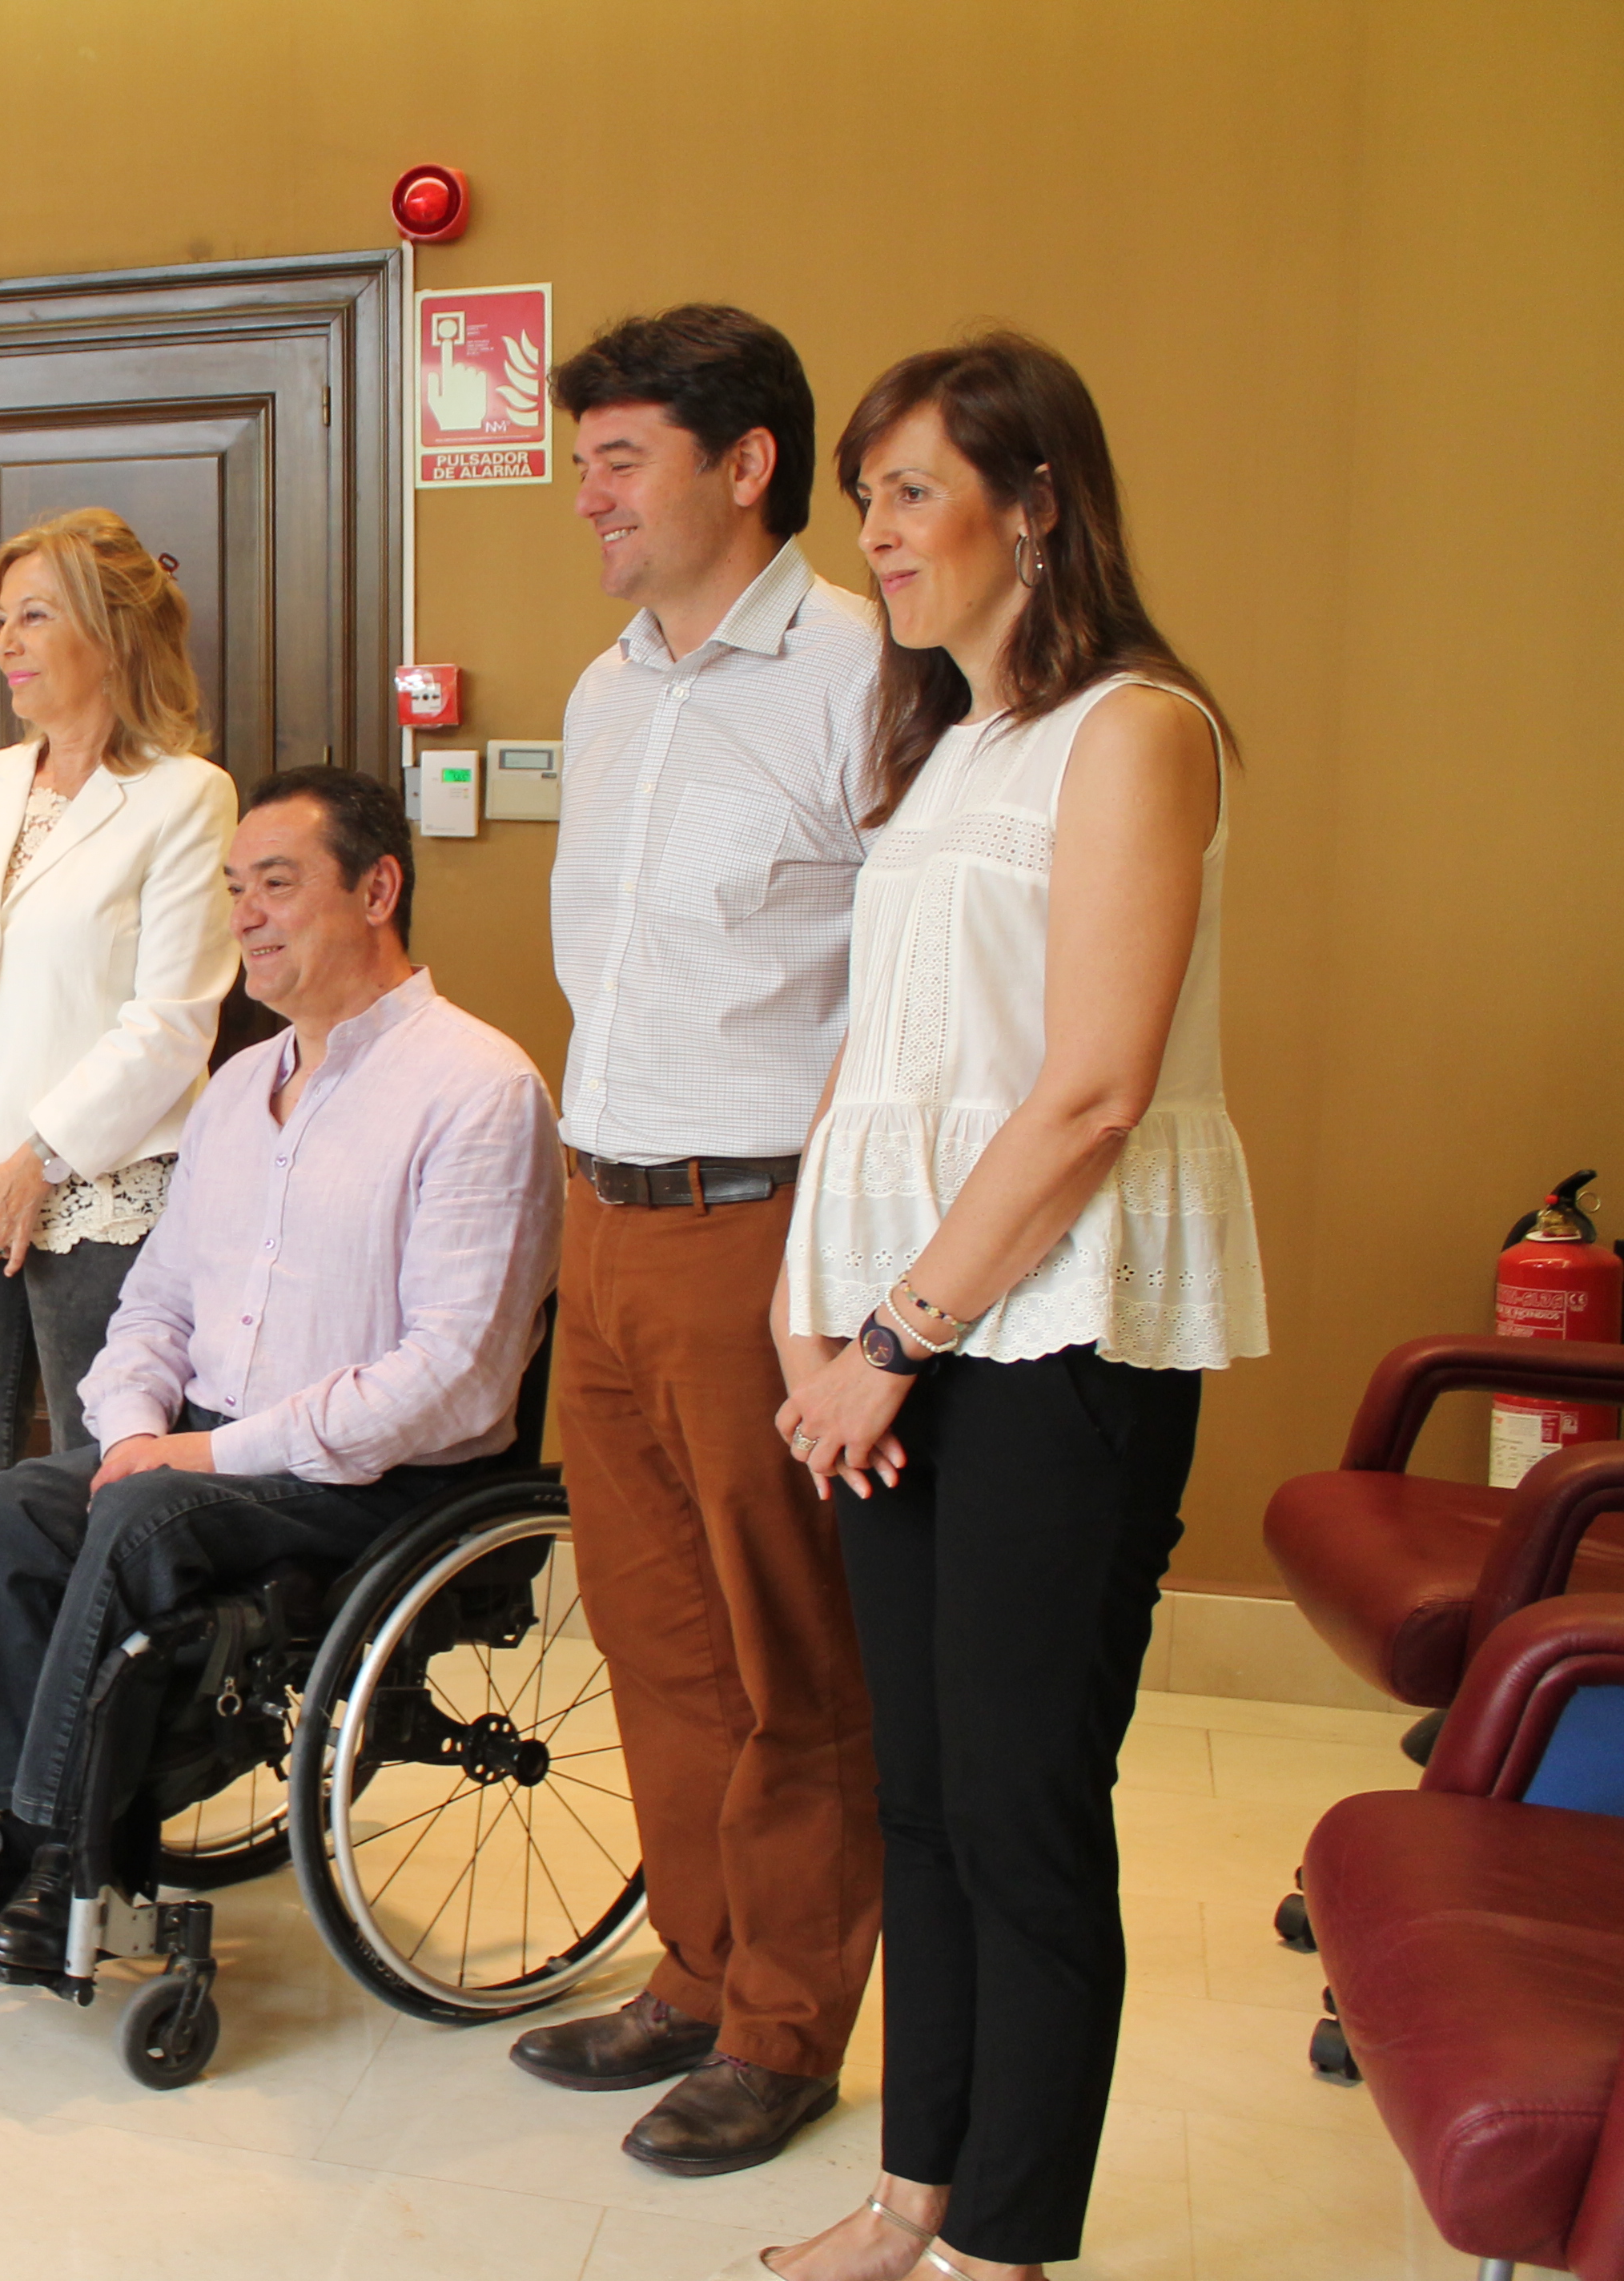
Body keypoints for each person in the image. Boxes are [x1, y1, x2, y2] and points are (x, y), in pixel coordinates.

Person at [756, 332, 1266, 2281]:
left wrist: (892, 1336)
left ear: (1035, 499)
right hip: (891, 1335)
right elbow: (874, 1063)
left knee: (1024, 1798)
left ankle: (1009, 2244)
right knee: (924, 1791)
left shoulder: (1137, 726)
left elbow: (1089, 1087)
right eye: (865, 494)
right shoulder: (940, 747)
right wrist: (812, 1317)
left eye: (907, 490)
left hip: (1053, 1334)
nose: (872, 531)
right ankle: (915, 2195)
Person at [0, 768, 561, 1972]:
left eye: (277, 885)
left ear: (378, 888)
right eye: (236, 890)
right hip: (202, 1446)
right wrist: (136, 1422)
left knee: (138, 1518)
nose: (245, 915)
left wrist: (196, 1455)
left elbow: (455, 1375)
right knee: (6, 1516)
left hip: (379, 1482)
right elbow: (159, 1301)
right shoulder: (238, 1089)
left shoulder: (479, 1089)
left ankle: (52, 1862)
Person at [509, 306, 889, 2178]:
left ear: (746, 466)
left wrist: (834, 1276)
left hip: (764, 1231)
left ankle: (786, 2018)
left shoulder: (861, 673)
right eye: (581, 459)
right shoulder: (603, 688)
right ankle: (692, 1958)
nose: (587, 493)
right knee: (653, 1634)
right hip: (609, 1207)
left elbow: (900, 1008)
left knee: (784, 1649)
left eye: (621, 459)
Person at [0, 506, 235, 1529]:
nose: (6, 642)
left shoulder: (185, 796)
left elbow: (171, 1021)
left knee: (96, 1481)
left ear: (112, 631)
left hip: (103, 1190)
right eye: (2, 619)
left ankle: (83, 1693)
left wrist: (35, 1164)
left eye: (34, 616)